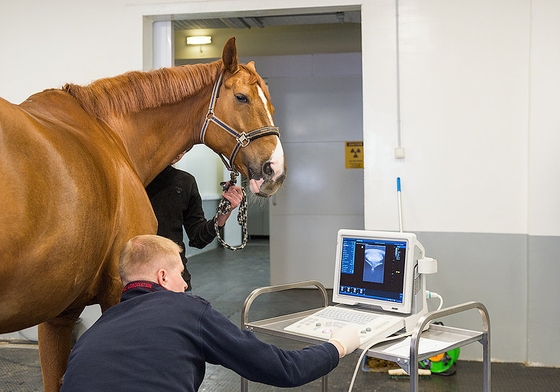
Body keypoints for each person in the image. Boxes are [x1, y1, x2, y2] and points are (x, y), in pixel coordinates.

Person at [60, 234, 360, 391]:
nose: (185, 282)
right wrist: (338, 346)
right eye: (181, 273)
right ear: (163, 277)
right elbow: (284, 369)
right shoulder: (185, 310)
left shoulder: (94, 333)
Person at [146, 150, 243, 289]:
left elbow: (198, 238)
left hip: (176, 281)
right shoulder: (132, 177)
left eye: (186, 148)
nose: (180, 152)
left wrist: (222, 215)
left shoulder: (185, 182)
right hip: (138, 283)